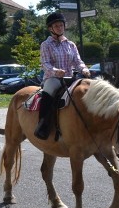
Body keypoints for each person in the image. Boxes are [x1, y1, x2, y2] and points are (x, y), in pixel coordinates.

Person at [36, 12, 89, 140]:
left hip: (70, 77)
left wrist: (84, 69)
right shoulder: (46, 45)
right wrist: (55, 71)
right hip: (53, 79)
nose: (60, 28)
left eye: (61, 25)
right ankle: (43, 126)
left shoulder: (70, 44)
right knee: (48, 94)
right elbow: (45, 63)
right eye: (56, 26)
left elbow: (77, 61)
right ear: (50, 28)